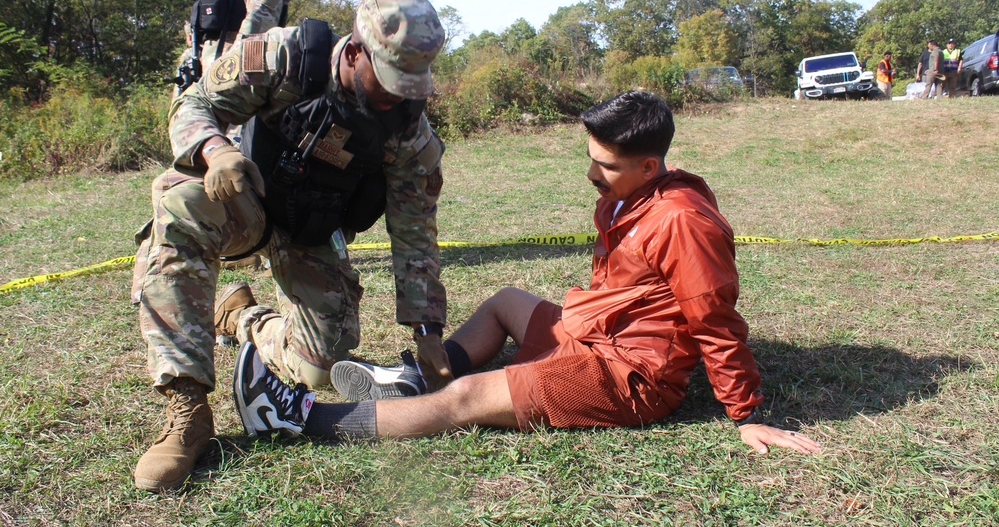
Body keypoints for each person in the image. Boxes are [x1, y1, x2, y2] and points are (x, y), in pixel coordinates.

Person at [232, 91, 822, 458]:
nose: (592, 173)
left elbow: (715, 320)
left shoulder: (684, 221)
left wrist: (747, 417)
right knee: (506, 301)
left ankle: (299, 418)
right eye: (589, 157)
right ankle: (412, 381)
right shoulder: (627, 195)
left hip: (631, 375)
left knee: (467, 396)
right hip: (594, 335)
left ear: (649, 165)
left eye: (606, 165)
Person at [131, 0, 450, 492]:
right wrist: (216, 151)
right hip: (245, 200)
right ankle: (187, 409)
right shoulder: (283, 57)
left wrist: (428, 329)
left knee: (321, 366)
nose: (397, 100)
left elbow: (415, 231)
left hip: (312, 231)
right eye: (390, 82)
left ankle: (240, 317)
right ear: (354, 51)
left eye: (411, 87)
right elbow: (193, 104)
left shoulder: (408, 131)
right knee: (179, 202)